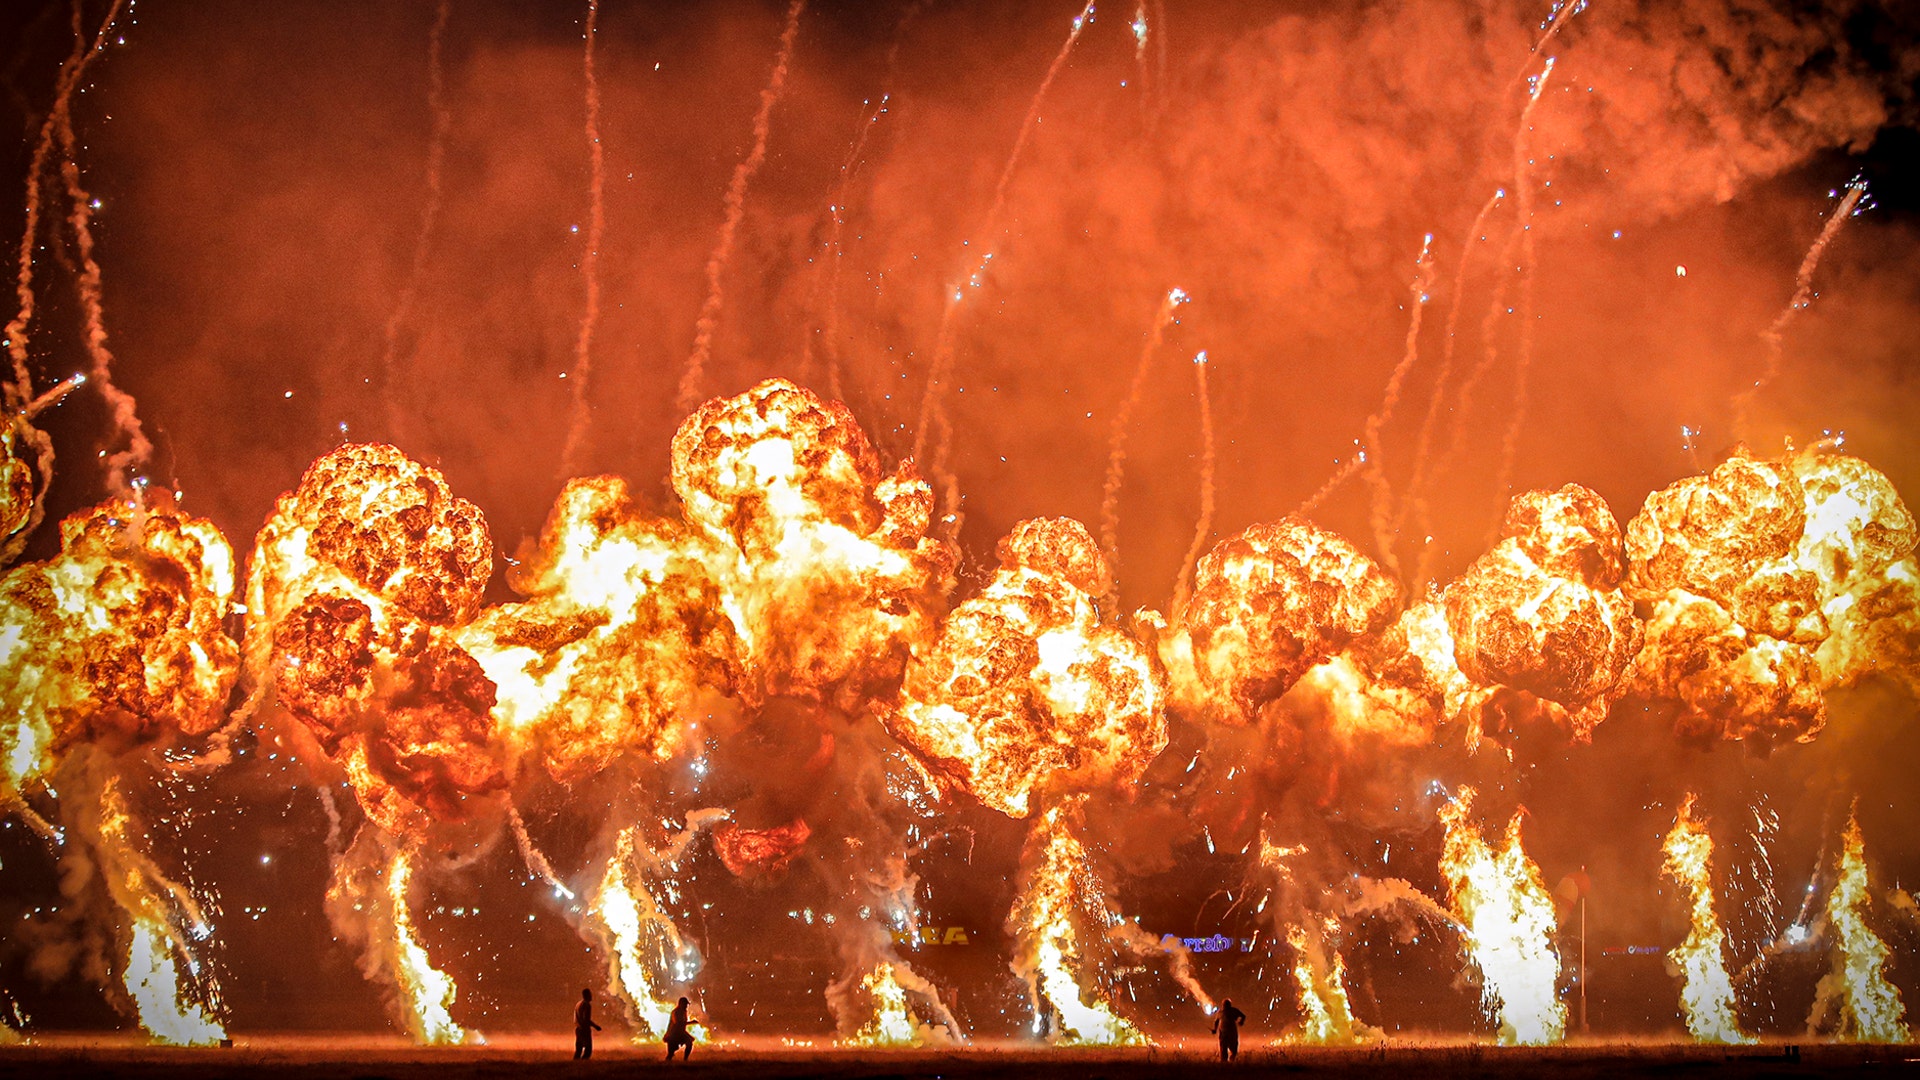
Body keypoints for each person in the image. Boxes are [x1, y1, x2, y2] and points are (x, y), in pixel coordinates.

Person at [664, 996, 700, 1062]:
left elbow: (682, 1024)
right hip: (673, 1034)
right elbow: (678, 1023)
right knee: (671, 1053)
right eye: (685, 1004)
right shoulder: (676, 1012)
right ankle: (667, 1062)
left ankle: (685, 1059)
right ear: (681, 1004)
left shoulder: (684, 1012)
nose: (686, 1006)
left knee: (689, 1042)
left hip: (681, 1032)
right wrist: (691, 1022)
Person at [1211, 998, 1247, 1062]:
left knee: (1233, 1049)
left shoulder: (1233, 1011)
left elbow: (1243, 1016)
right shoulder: (1220, 1012)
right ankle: (1225, 1063)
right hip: (1224, 1034)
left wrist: (1241, 1022)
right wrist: (1215, 1029)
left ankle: (1230, 1061)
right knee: (1224, 1050)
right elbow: (1216, 1021)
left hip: (1231, 1033)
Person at [573, 987, 603, 1060]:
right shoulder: (587, 1005)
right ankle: (583, 1063)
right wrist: (595, 1026)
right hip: (584, 1029)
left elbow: (576, 1018)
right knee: (588, 1050)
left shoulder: (578, 1004)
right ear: (587, 995)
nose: (591, 996)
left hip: (578, 1029)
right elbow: (586, 1019)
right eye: (590, 994)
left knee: (579, 1049)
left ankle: (576, 1063)